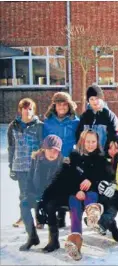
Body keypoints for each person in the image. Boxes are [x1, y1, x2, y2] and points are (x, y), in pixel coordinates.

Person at [42, 129, 112, 260]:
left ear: (97, 143)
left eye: (93, 142)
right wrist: (76, 190)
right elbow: (68, 177)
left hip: (92, 193)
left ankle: (92, 213)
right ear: (82, 142)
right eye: (87, 141)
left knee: (90, 196)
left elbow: (106, 175)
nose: (90, 144)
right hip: (75, 193)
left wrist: (91, 180)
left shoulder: (101, 158)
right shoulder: (74, 157)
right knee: (74, 208)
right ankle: (74, 243)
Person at [18, 135, 64, 252]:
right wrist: (29, 195)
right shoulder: (36, 159)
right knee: (24, 204)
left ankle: (54, 241)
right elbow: (29, 180)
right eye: (49, 149)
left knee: (50, 207)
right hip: (37, 194)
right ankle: (32, 237)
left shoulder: (62, 164)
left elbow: (61, 187)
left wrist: (43, 201)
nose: (52, 153)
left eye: (55, 150)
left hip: (55, 197)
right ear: (44, 149)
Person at [43, 92, 80, 228]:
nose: (62, 107)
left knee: (68, 187)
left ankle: (66, 216)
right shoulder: (48, 122)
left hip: (68, 160)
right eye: (59, 104)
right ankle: (57, 215)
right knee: (54, 187)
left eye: (65, 104)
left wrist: (74, 156)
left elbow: (79, 140)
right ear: (54, 106)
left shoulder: (75, 121)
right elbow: (44, 141)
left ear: (69, 106)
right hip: (53, 160)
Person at [8, 98, 44, 228]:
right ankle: (24, 217)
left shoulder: (39, 126)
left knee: (37, 192)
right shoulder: (13, 126)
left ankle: (39, 218)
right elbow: (11, 147)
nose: (27, 111)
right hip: (20, 166)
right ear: (20, 110)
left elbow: (43, 146)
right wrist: (11, 167)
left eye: (30, 109)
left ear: (33, 110)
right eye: (25, 108)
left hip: (35, 166)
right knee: (23, 193)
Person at [76, 84, 118, 152]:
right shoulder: (84, 116)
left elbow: (114, 136)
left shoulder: (109, 116)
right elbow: (79, 136)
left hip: (103, 155)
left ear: (101, 99)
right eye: (91, 99)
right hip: (87, 155)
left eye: (97, 98)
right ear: (88, 101)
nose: (94, 101)